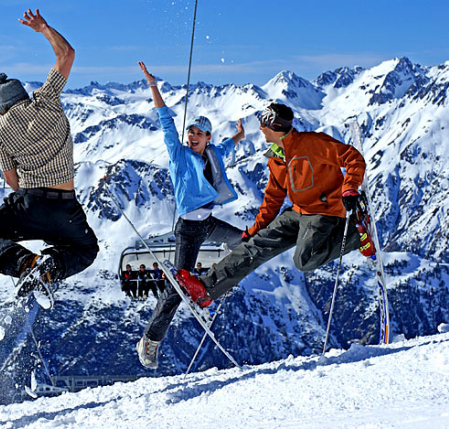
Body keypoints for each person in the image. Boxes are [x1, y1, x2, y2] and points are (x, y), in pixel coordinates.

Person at [175, 103, 365, 317]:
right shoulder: (276, 158)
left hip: (324, 212)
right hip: (297, 212)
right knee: (255, 246)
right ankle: (206, 288)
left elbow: (352, 157)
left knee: (304, 260)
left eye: (262, 126)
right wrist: (254, 230)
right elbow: (273, 199)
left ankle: (357, 234)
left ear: (272, 127)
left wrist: (349, 188)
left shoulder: (312, 143)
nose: (260, 130)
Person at [0, 9, 98, 296]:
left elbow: (12, 182)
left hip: (29, 205)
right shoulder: (47, 101)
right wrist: (44, 28)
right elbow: (67, 54)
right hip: (65, 209)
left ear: (1, 109)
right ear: (24, 96)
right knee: (86, 248)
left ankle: (27, 264)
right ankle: (51, 269)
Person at [136, 61, 245, 369]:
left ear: (207, 137)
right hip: (188, 229)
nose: (192, 136)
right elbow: (165, 122)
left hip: (207, 223)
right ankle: (150, 340)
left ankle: (211, 276)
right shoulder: (180, 155)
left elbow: (224, 147)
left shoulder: (212, 153)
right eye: (191, 132)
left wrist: (239, 137)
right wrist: (153, 86)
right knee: (176, 289)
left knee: (243, 241)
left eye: (199, 133)